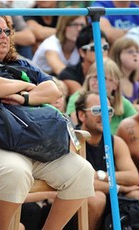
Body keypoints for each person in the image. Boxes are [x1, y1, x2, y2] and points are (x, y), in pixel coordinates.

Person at [0, 15, 95, 230]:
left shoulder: (20, 64)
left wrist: (25, 98)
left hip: (30, 145)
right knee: (14, 171)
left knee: (82, 172)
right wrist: (24, 86)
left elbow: (53, 90)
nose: (4, 36)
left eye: (7, 31)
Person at [75, 91, 139, 230]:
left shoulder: (115, 142)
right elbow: (81, 182)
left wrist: (101, 175)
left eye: (108, 111)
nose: (104, 114)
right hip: (76, 201)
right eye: (97, 110)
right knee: (96, 198)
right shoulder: (73, 139)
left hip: (108, 195)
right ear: (81, 115)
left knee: (136, 194)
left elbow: (133, 177)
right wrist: (119, 187)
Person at [66, 58, 137, 134]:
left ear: (115, 84)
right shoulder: (77, 97)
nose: (98, 82)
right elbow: (75, 125)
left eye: (104, 79)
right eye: (95, 77)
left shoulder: (123, 102)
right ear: (88, 79)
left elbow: (137, 123)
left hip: (115, 144)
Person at [58, 25, 109, 96]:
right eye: (95, 48)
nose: (102, 51)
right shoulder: (68, 75)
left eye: (105, 47)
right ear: (82, 52)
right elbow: (84, 98)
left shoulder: (112, 72)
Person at [32, 12, 87, 76]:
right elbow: (60, 71)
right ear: (63, 26)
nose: (79, 29)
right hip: (38, 80)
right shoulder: (51, 44)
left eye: (82, 25)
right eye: (74, 24)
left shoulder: (82, 45)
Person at [109, 36, 139, 110]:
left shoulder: (137, 86)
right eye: (130, 51)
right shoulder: (111, 83)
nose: (135, 55)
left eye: (137, 52)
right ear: (117, 55)